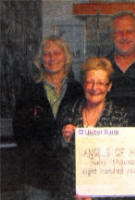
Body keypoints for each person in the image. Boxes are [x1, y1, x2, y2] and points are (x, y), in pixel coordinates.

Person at [12, 35, 84, 199]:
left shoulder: (77, 90)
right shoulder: (29, 91)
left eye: (57, 53)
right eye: (47, 54)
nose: (52, 58)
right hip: (37, 177)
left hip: (70, 177)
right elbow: (20, 133)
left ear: (65, 57)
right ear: (40, 59)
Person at [57, 57, 128, 199]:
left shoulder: (119, 116)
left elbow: (118, 166)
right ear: (84, 84)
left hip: (104, 196)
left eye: (101, 83)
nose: (95, 88)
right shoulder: (68, 110)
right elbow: (55, 151)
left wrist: (94, 196)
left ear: (109, 86)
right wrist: (64, 139)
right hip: (69, 194)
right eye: (90, 82)